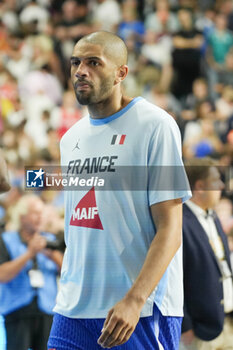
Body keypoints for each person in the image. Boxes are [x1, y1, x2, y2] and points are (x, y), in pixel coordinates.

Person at [48, 30, 191, 350]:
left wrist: (134, 300)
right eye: (75, 62)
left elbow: (171, 227)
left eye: (93, 62)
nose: (80, 70)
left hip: (137, 310)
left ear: (120, 73)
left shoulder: (155, 125)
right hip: (72, 308)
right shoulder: (70, 139)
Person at [180, 157, 233, 350]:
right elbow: (176, 278)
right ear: (200, 187)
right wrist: (185, 325)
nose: (221, 185)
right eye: (215, 180)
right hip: (200, 330)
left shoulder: (213, 215)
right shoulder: (180, 221)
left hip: (225, 320)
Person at [0, 194, 63, 350]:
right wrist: (29, 253)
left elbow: (68, 272)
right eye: (35, 213)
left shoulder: (51, 240)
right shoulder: (6, 240)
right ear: (21, 217)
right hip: (17, 310)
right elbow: (2, 275)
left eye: (42, 213)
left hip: (47, 310)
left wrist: (52, 255)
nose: (40, 217)